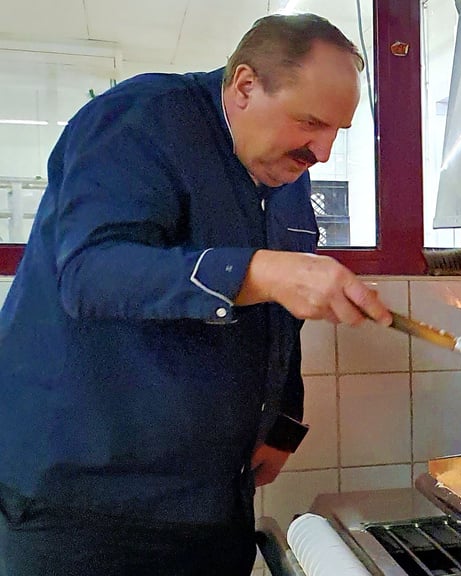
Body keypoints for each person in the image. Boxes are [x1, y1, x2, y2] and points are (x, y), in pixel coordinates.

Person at [0, 13, 391, 576]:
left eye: (336, 131)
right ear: (245, 86)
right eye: (310, 122)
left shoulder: (285, 169)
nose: (323, 153)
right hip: (84, 506)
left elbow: (280, 315)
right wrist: (262, 271)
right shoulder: (139, 122)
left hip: (211, 497)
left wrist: (282, 422)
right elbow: (90, 273)